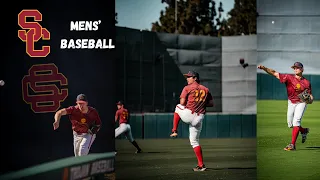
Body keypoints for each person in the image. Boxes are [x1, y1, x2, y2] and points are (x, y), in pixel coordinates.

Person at [257, 62, 313, 151]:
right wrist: (264, 68)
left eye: (297, 68)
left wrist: (309, 100)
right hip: (291, 102)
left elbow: (310, 98)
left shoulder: (306, 82)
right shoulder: (289, 77)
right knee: (290, 124)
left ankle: (292, 145)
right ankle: (303, 131)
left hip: (301, 103)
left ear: (302, 69)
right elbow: (274, 73)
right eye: (294, 68)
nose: (295, 69)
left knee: (296, 121)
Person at [170, 71, 213, 171]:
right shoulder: (206, 89)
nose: (187, 79)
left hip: (190, 114)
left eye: (189, 77)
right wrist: (201, 103)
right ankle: (201, 165)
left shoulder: (187, 88)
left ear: (195, 78)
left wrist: (193, 102)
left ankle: (174, 130)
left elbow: (182, 102)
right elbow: (211, 104)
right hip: (199, 118)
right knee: (194, 142)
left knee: (178, 106)